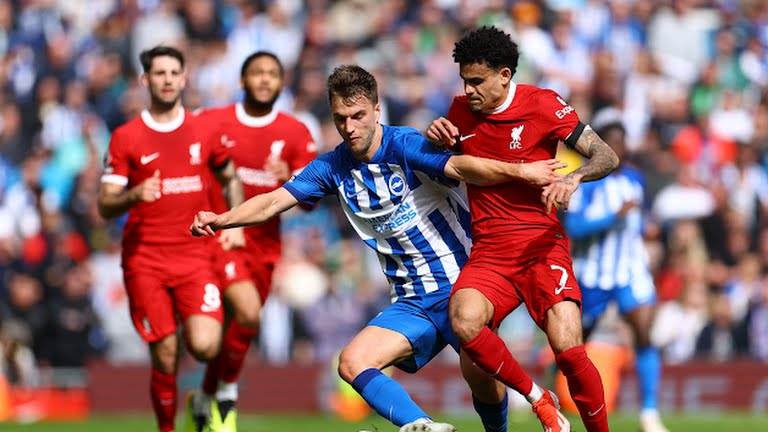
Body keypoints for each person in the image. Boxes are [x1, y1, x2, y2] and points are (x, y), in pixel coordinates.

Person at [191, 65, 570, 432]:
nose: (349, 127)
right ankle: (424, 427)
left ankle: (516, 418)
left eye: (358, 116)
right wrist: (223, 219)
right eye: (340, 119)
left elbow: (462, 168)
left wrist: (522, 171)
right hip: (412, 301)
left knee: (481, 379)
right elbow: (275, 200)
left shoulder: (405, 145)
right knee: (352, 362)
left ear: (376, 110)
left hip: (462, 286)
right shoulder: (332, 166)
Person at [427, 26, 619, 432]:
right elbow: (446, 164)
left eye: (477, 81)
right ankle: (538, 399)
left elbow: (606, 155)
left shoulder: (544, 104)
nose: (468, 90)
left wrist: (573, 178)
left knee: (568, 349)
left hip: (542, 248)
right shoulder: (458, 112)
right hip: (490, 253)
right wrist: (435, 138)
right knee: (464, 322)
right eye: (464, 81)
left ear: (504, 75)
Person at [97, 46, 244, 432]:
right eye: (158, 73)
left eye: (173, 73)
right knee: (165, 352)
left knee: (205, 345)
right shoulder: (126, 137)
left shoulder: (205, 130)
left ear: (184, 78)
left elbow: (230, 178)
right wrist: (133, 194)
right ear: (145, 80)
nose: (166, 80)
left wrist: (235, 224)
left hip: (196, 256)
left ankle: (199, 401)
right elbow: (105, 204)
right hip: (146, 259)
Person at [186, 51, 317, 432]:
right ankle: (226, 398)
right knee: (246, 313)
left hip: (265, 246)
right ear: (242, 80)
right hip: (220, 238)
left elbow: (309, 202)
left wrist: (290, 175)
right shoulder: (212, 120)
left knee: (233, 329)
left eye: (272, 73)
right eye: (257, 72)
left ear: (281, 83)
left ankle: (203, 398)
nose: (264, 79)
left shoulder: (295, 132)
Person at [564, 109, 668, 432]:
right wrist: (614, 217)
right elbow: (573, 227)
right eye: (611, 142)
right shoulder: (583, 182)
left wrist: (648, 227)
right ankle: (551, 394)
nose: (618, 148)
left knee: (644, 332)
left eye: (621, 142)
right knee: (572, 343)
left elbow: (640, 217)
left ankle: (649, 412)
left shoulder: (635, 179)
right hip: (593, 272)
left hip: (630, 269)